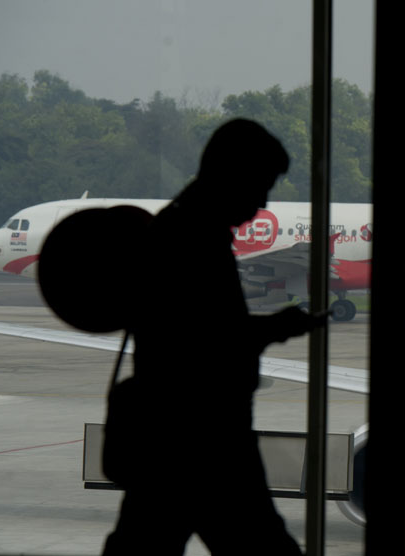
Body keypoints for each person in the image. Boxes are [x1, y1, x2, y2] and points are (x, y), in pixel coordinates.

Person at [102, 119, 321, 554]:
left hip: (178, 442)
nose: (262, 202)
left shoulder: (180, 229)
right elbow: (209, 343)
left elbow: (200, 335)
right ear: (232, 175)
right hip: (204, 442)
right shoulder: (193, 239)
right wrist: (278, 327)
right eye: (260, 185)